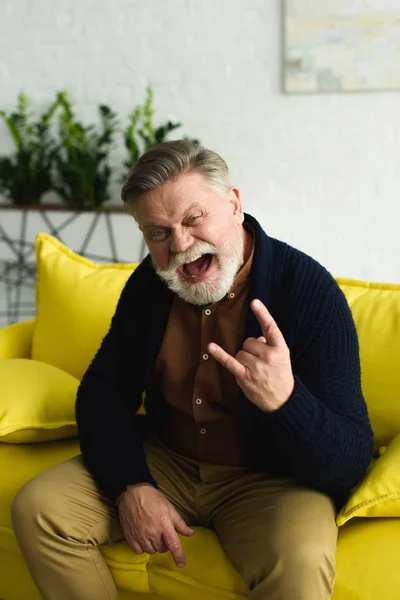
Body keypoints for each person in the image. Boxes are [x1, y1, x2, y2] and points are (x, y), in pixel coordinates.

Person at [12, 140, 374, 600]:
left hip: (270, 479)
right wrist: (131, 485)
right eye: (158, 233)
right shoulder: (149, 285)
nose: (180, 245)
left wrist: (286, 400)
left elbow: (351, 460)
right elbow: (103, 391)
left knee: (300, 567)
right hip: (168, 460)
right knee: (39, 509)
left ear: (234, 205)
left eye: (193, 219)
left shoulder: (309, 291)